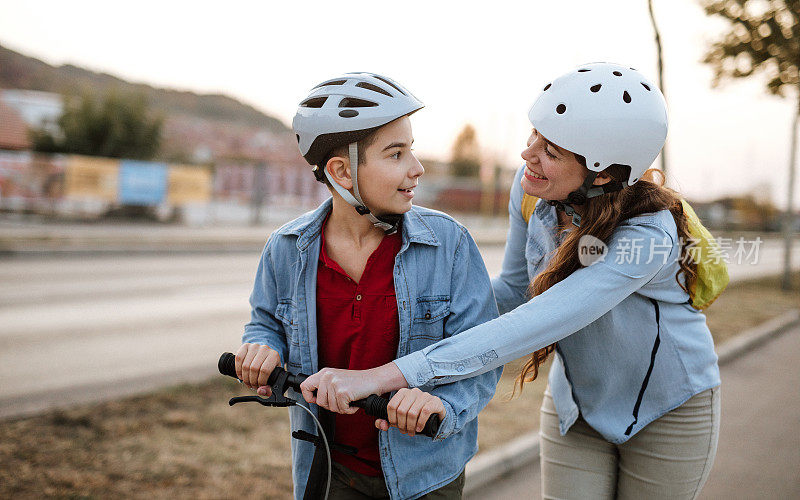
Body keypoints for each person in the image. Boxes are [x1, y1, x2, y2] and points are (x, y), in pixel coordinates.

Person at [300, 63, 726, 499]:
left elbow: (540, 320)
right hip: (576, 407)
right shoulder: (531, 194)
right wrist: (406, 333)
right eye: (534, 136)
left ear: (601, 174)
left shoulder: (648, 235)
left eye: (552, 152)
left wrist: (387, 376)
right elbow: (509, 295)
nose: (529, 155)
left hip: (669, 408)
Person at [236, 72, 501, 500]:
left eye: (411, 150)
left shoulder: (449, 244)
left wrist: (444, 406)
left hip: (426, 473)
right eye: (396, 154)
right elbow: (266, 324)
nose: (416, 169)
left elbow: (482, 353)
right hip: (330, 469)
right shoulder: (286, 249)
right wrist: (261, 349)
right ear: (341, 172)